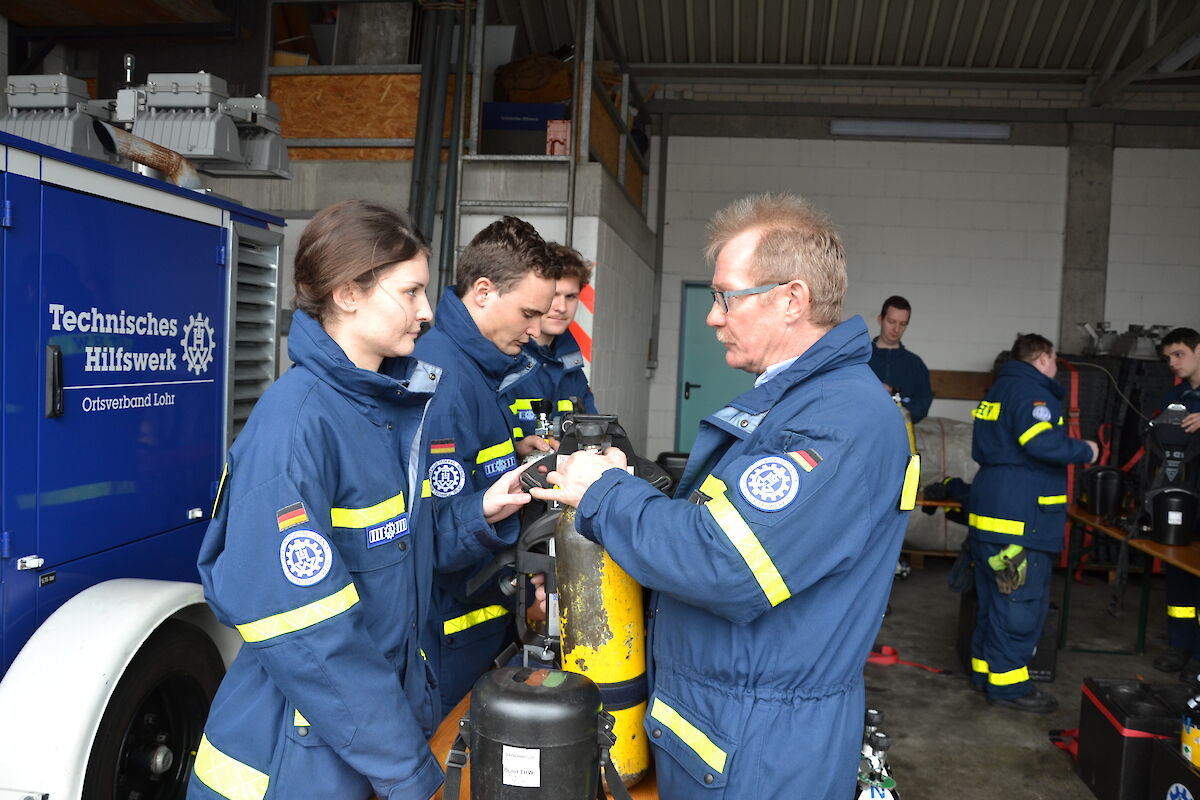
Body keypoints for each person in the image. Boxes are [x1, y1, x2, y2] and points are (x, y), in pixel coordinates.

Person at [530, 193, 918, 799]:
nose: (713, 316)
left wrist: (603, 494)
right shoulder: (797, 402)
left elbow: (726, 561)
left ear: (791, 299)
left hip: (759, 748)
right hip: (728, 726)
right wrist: (630, 485)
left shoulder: (839, 421)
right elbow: (730, 522)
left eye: (725, 297)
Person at [188, 201, 530, 800]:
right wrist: (407, 771)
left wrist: (481, 511)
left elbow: (402, 558)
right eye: (411, 292)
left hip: (367, 741)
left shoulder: (386, 413)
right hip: (294, 763)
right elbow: (311, 637)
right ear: (348, 293)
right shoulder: (296, 427)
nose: (427, 312)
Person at [411, 215, 560, 715]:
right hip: (448, 634)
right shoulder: (443, 378)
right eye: (528, 313)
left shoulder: (479, 369)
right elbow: (427, 536)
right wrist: (490, 510)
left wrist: (514, 457)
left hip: (479, 625)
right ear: (482, 292)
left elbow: (467, 469)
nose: (536, 330)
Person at [967, 333, 1097, 713]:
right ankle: (1009, 689)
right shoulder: (1030, 393)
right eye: (1054, 360)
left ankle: (984, 674)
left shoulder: (997, 391)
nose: (1055, 368)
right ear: (1043, 357)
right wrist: (1085, 449)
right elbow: (1041, 444)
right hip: (1021, 521)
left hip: (992, 515)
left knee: (993, 602)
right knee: (1020, 606)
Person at [507, 243, 599, 455]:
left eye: (571, 297)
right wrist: (517, 449)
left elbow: (593, 430)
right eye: (554, 294)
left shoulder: (572, 367)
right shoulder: (505, 356)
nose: (561, 307)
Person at [1151, 327, 1200, 679]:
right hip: (1182, 495)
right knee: (1179, 572)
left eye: (1180, 354)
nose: (1173, 363)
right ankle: (1180, 647)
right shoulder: (1176, 394)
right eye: (1169, 357)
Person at [869, 295, 933, 424]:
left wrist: (896, 401)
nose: (896, 329)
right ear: (880, 319)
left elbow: (922, 408)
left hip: (902, 434)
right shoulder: (860, 358)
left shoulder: (916, 364)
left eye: (902, 324)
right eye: (891, 322)